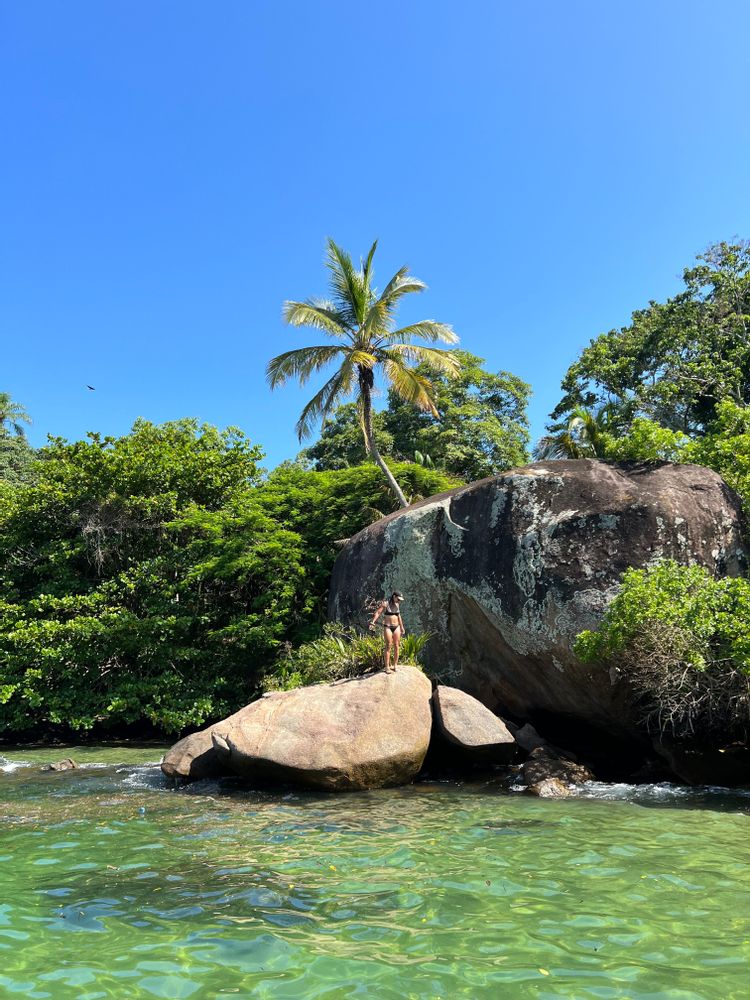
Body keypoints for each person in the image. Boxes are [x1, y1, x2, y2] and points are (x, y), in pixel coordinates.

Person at [369, 591, 406, 673]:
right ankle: (387, 667)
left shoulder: (397, 604)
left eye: (400, 600)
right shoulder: (385, 603)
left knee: (396, 645)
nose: (399, 601)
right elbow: (378, 612)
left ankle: (395, 665)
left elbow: (399, 616)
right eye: (398, 599)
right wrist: (373, 622)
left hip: (397, 627)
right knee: (388, 645)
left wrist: (402, 627)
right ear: (394, 596)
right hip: (388, 627)